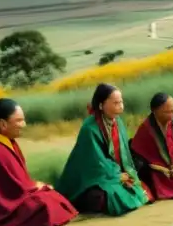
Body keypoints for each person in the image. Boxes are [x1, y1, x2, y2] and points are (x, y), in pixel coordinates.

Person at [55, 84, 150, 216]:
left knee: (137, 186)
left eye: (121, 101)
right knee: (104, 197)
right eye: (116, 103)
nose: (121, 106)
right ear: (101, 105)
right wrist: (117, 176)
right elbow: (96, 162)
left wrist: (126, 172)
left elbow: (124, 154)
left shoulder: (118, 122)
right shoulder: (90, 128)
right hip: (91, 177)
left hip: (113, 171)